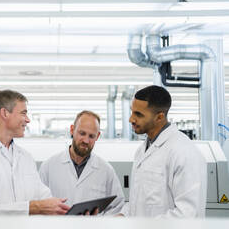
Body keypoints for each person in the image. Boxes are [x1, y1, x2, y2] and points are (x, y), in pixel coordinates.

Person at [0, 90, 70, 215]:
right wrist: (33, 207)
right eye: (23, 113)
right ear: (5, 113)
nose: (28, 120)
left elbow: (43, 196)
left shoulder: (25, 157)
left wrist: (70, 211)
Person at [119, 85, 207, 218]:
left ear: (159, 117)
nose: (131, 119)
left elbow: (188, 213)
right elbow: (139, 201)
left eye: (138, 114)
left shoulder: (184, 152)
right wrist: (123, 215)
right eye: (132, 112)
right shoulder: (142, 150)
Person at [39, 110, 125, 215]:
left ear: (97, 136)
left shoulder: (106, 170)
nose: (86, 140)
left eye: (91, 136)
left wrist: (101, 223)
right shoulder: (49, 166)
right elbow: (39, 205)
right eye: (82, 133)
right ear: (72, 130)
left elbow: (117, 206)